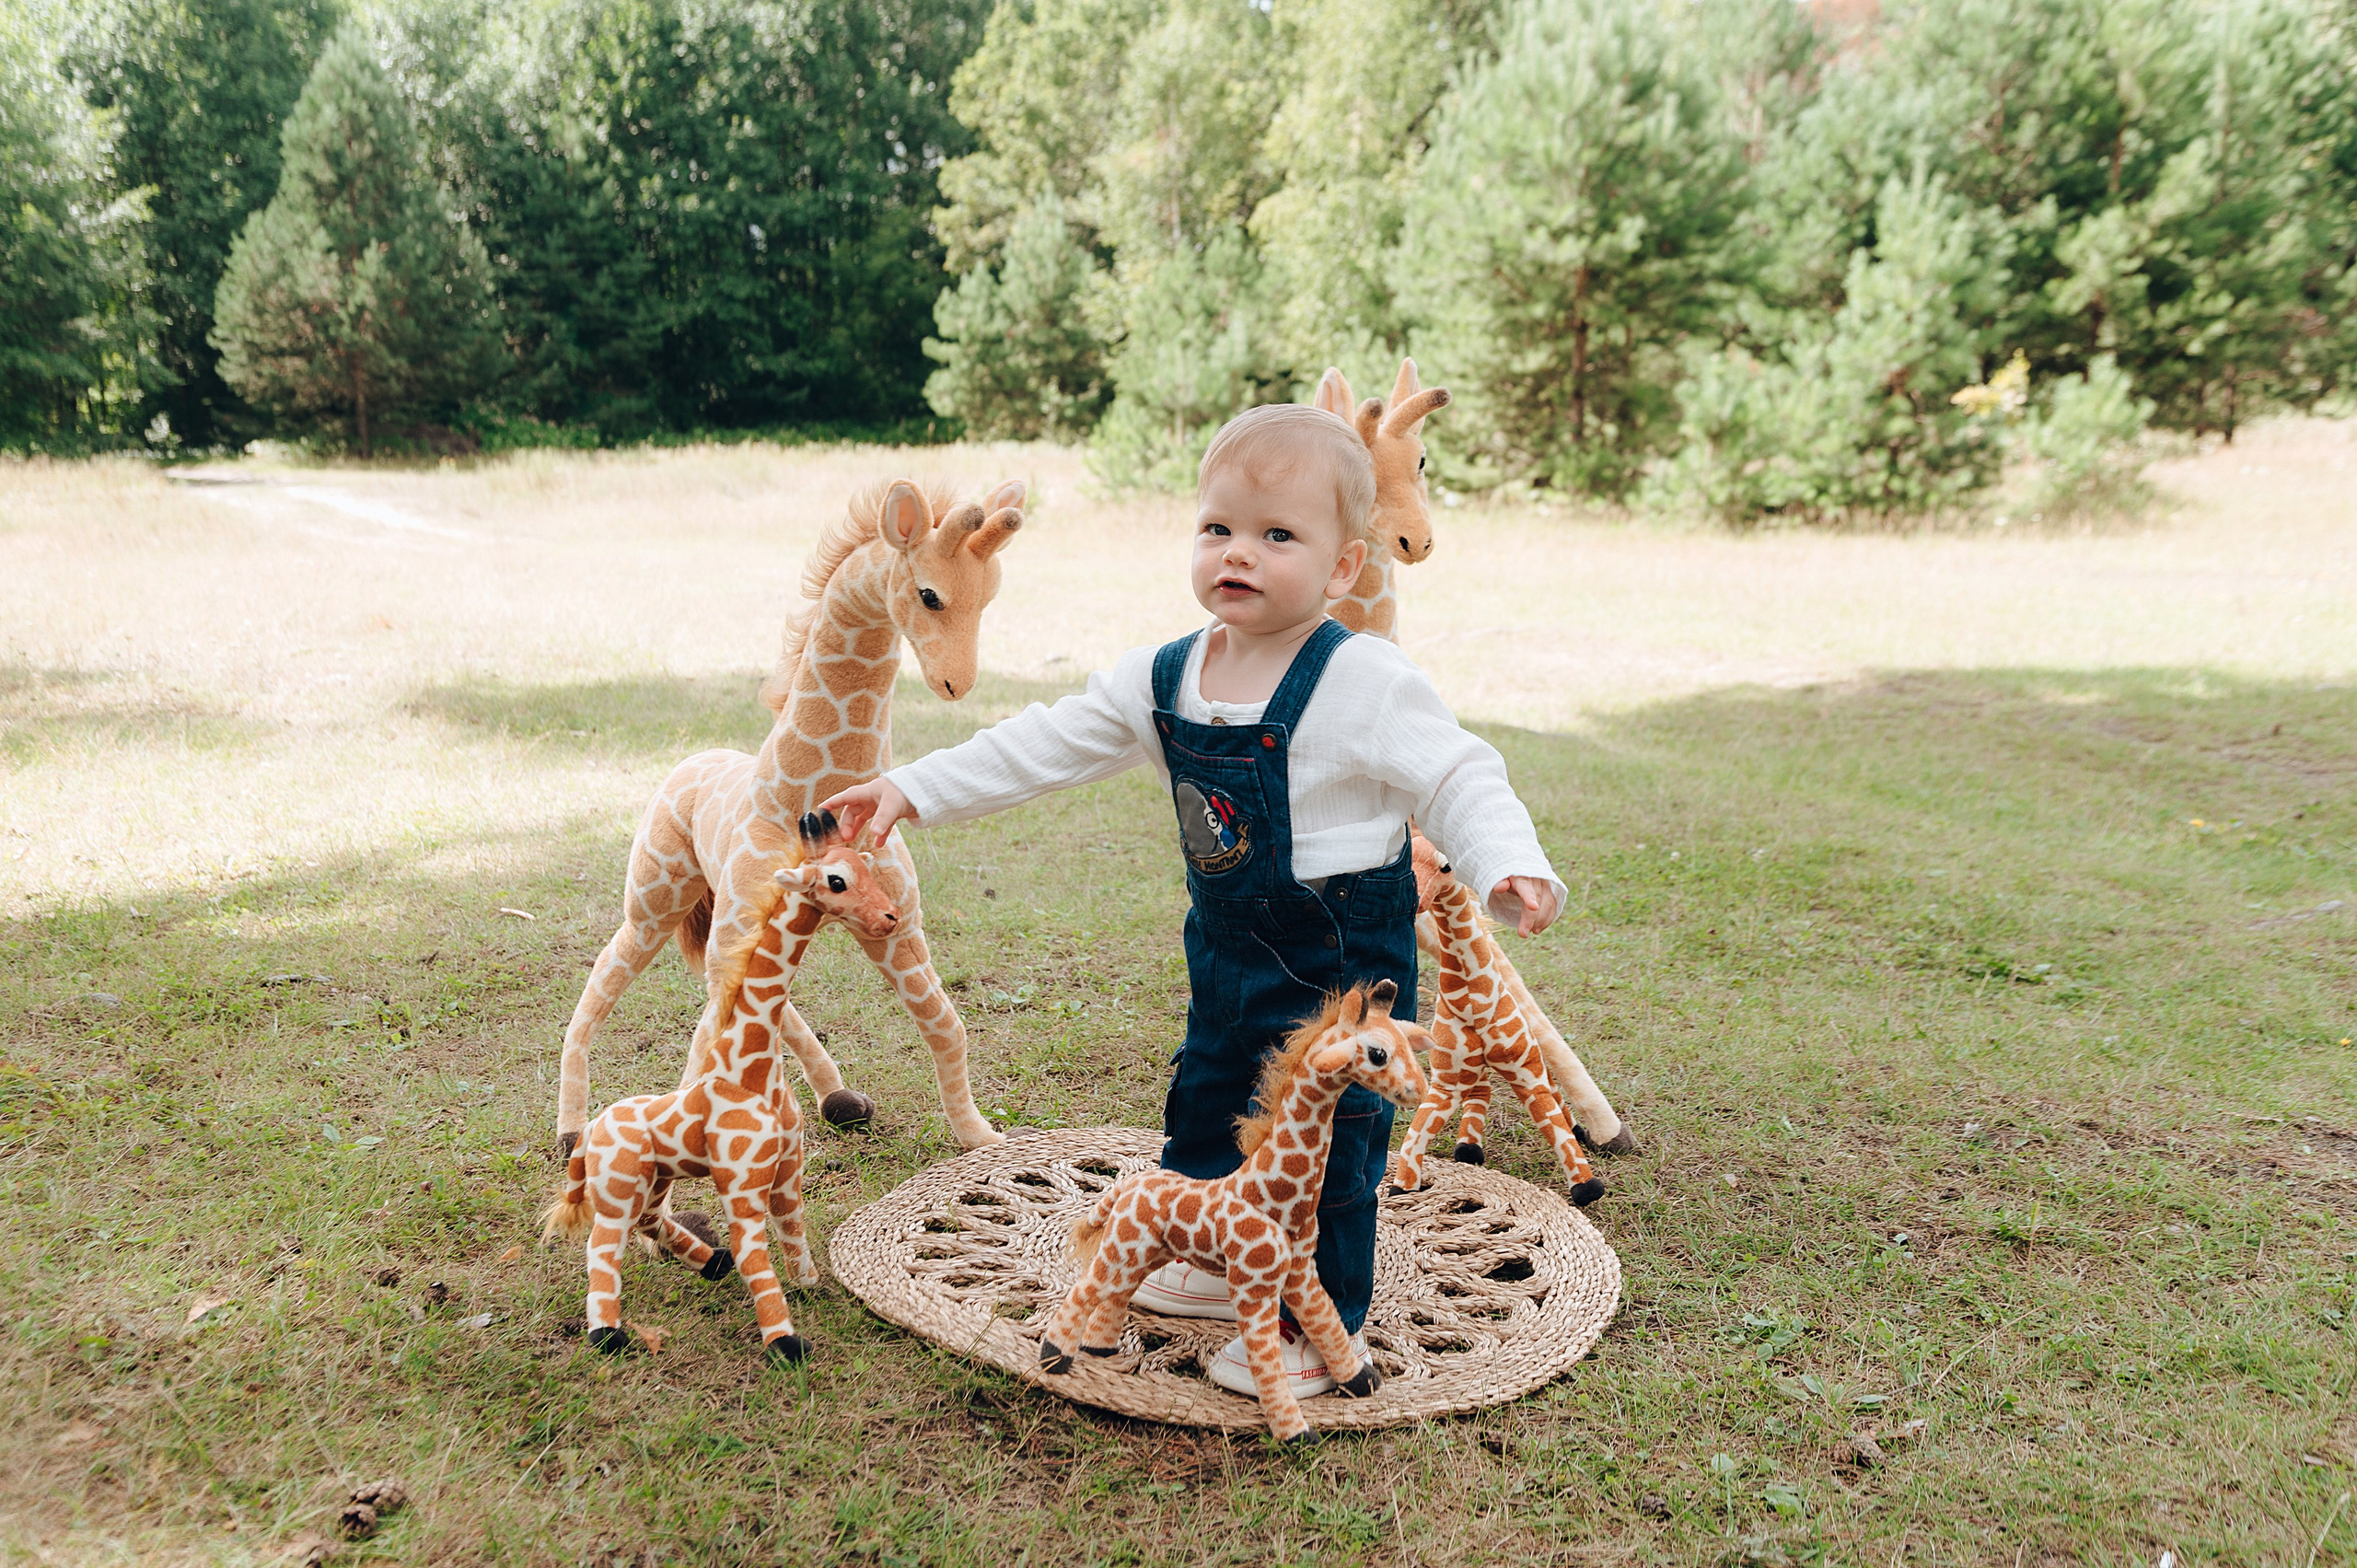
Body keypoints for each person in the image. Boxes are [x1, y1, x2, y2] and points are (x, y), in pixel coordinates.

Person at [822, 402, 1564, 1399]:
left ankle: (1317, 1317)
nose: (1238, 554)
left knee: (1332, 1143)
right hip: (1226, 947)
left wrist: (1506, 857)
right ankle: (1222, 1261)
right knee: (1210, 1096)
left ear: (1342, 567)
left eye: (1276, 535)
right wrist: (912, 786)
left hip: (1346, 955)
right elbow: (1045, 740)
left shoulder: (1364, 677)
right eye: (1217, 528)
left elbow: (1459, 773)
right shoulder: (1168, 674)